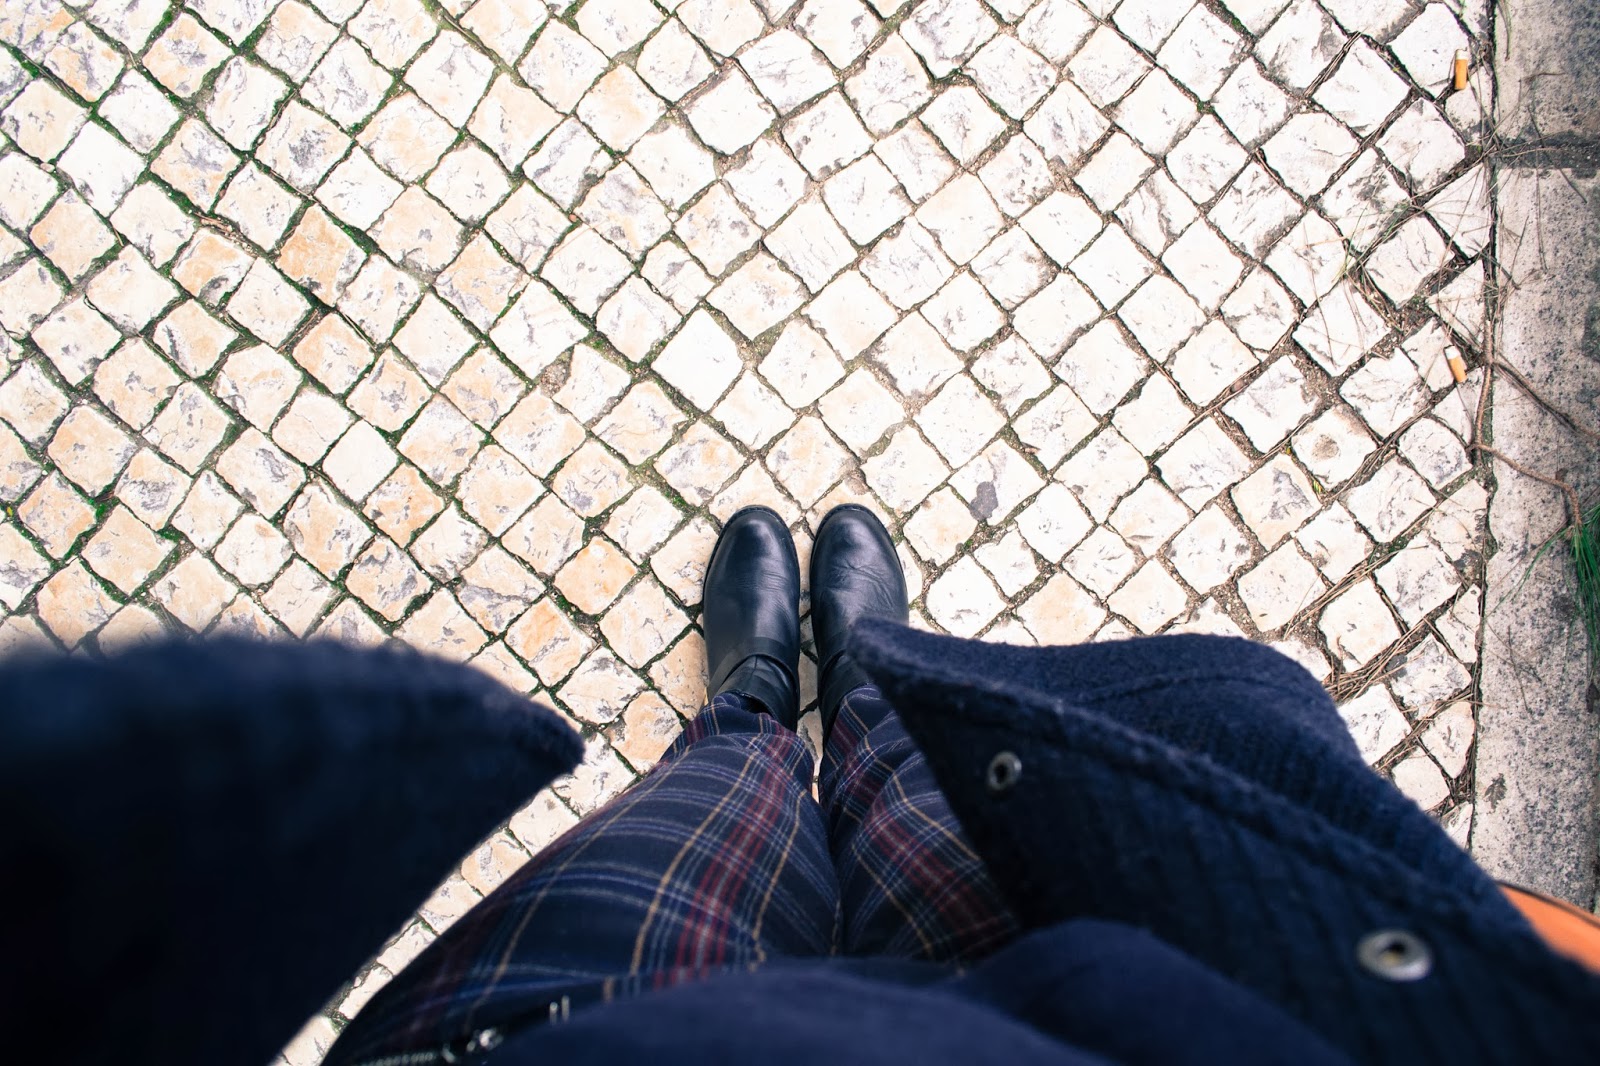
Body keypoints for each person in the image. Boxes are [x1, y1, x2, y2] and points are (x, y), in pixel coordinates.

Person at [2, 506, 1598, 1065]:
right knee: (919, 798)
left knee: (727, 793)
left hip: (587, 1022)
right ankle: (866, 691)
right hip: (1076, 988)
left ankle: (761, 705)